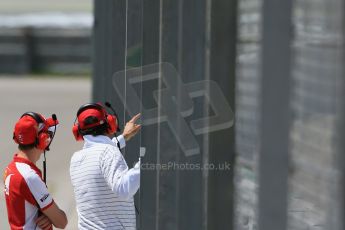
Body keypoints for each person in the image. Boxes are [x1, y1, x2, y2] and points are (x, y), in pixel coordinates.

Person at [70, 103, 141, 230]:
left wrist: (123, 137)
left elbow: (99, 153)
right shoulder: (108, 152)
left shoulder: (76, 158)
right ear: (110, 124)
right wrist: (145, 165)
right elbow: (124, 189)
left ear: (78, 131)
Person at [3, 112, 68, 230]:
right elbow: (61, 222)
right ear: (42, 139)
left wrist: (48, 216)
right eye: (47, 135)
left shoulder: (11, 169)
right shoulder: (29, 177)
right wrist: (52, 217)